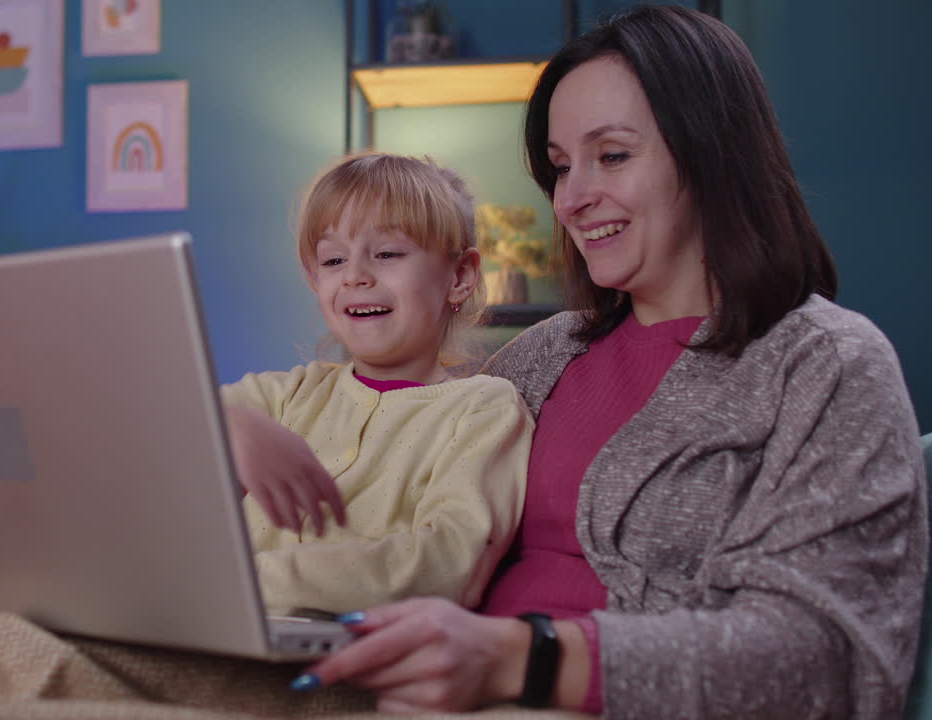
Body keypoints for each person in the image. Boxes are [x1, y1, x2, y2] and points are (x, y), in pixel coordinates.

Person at [280, 5, 927, 718]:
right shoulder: (543, 355)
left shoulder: (826, 364)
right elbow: (392, 470)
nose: (573, 199)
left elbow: (830, 658)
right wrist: (242, 437)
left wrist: (522, 659)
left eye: (612, 156)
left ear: (714, 151)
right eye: (559, 168)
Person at [222, 151, 533, 616]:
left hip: (346, 662)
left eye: (387, 253)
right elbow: (135, 428)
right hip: (215, 631)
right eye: (332, 260)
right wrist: (227, 425)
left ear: (461, 277)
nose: (355, 276)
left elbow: (448, 565)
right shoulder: (281, 398)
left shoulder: (484, 411)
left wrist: (247, 584)